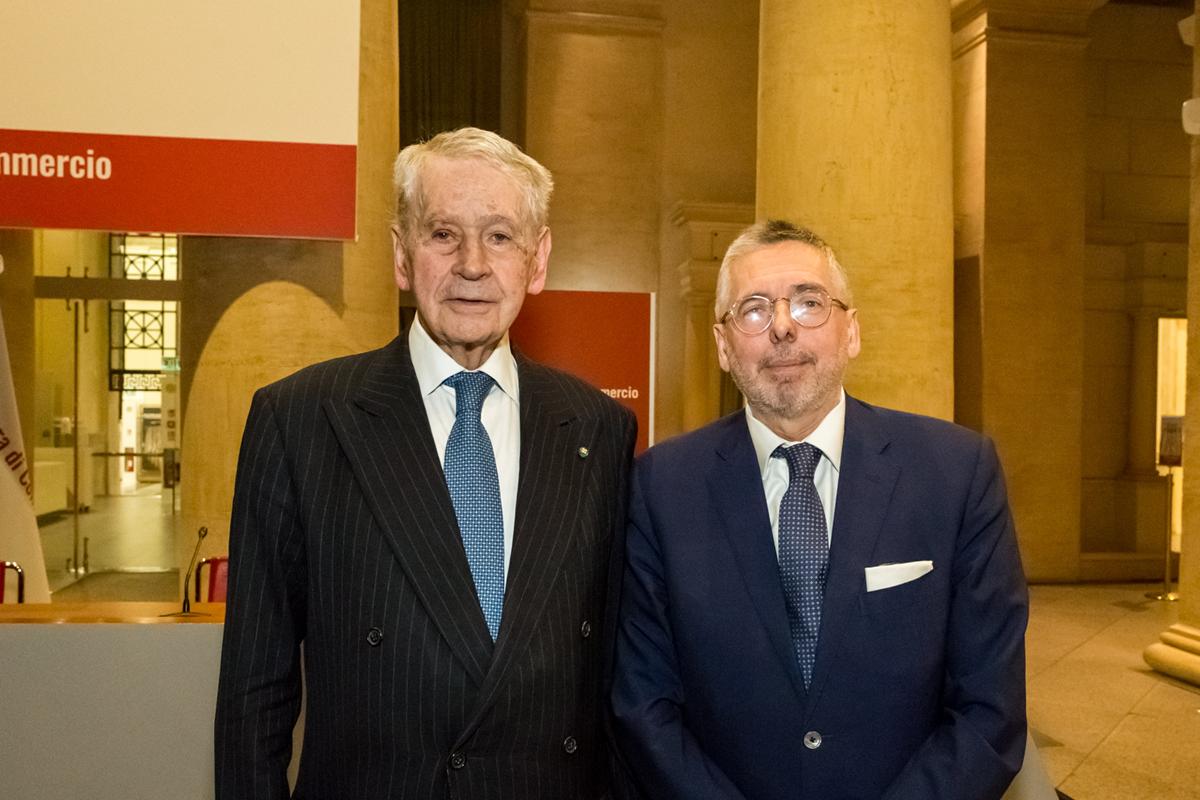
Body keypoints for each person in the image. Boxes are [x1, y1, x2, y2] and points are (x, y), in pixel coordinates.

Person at [215, 127, 637, 799]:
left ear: (537, 261)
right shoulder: (300, 420)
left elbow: (611, 681)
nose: (473, 264)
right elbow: (253, 695)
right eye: (444, 234)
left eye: (500, 236)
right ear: (402, 256)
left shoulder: (598, 429)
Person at [611, 220, 1028, 799]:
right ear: (724, 346)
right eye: (754, 310)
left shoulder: (955, 472)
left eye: (809, 303)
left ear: (851, 331)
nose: (783, 327)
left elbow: (989, 708)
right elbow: (644, 702)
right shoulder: (661, 486)